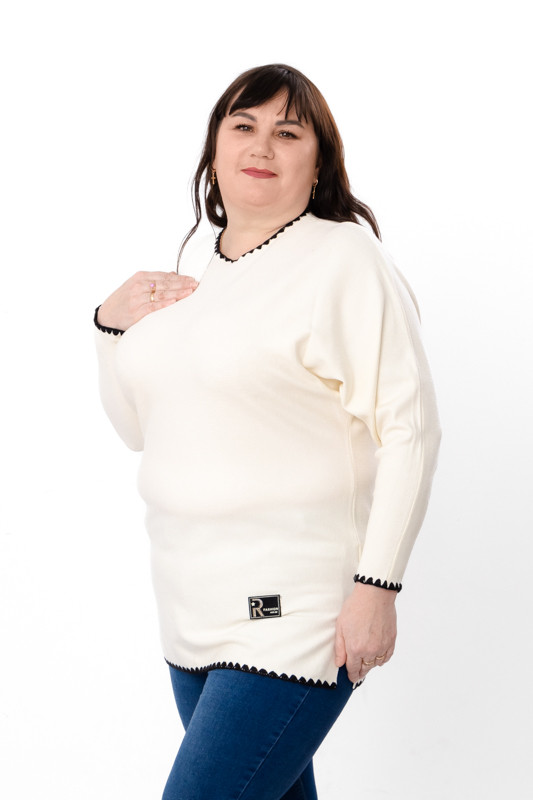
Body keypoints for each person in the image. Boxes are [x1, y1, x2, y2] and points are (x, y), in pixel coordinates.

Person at [94, 64, 441, 800]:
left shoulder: (342, 257)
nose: (261, 146)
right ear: (214, 149)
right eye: (243, 126)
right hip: (189, 604)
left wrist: (377, 587)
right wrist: (108, 329)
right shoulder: (195, 267)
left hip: (295, 608)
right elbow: (138, 431)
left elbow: (410, 428)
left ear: (318, 163)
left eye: (288, 133)